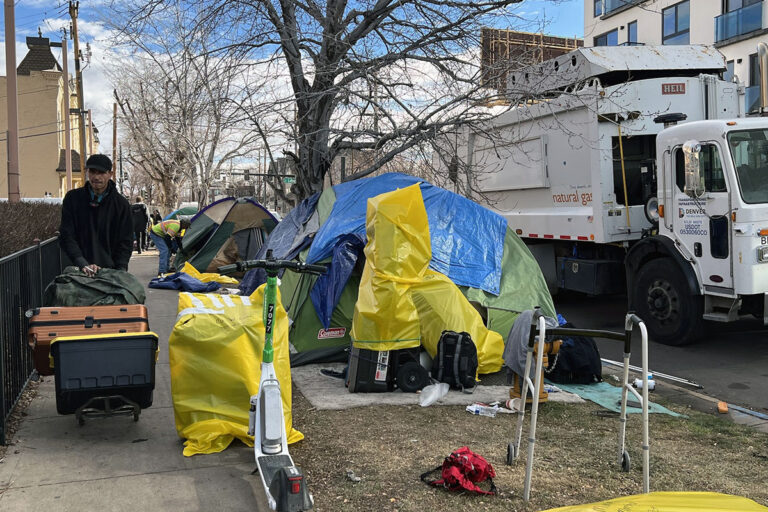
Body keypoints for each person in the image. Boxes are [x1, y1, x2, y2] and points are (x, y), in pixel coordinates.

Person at [59, 154, 133, 277]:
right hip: (78, 269)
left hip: (110, 271)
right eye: (93, 172)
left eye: (101, 173)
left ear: (110, 174)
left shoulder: (121, 205)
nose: (96, 177)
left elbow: (125, 240)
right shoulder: (73, 199)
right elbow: (67, 234)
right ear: (87, 172)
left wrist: (121, 269)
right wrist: (81, 262)